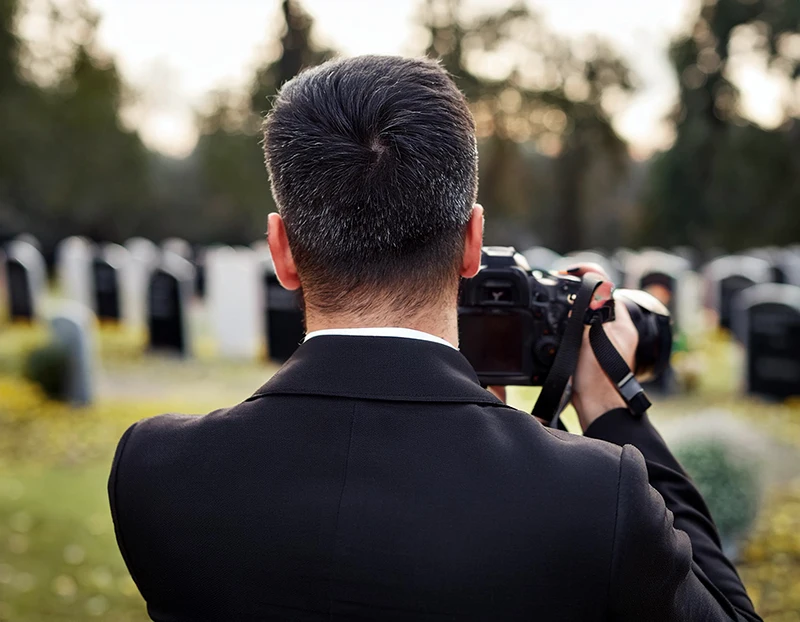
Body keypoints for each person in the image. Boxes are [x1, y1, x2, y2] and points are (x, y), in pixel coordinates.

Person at [108, 55, 760, 621]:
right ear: (473, 242)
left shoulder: (154, 473)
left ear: (282, 251)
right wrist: (614, 412)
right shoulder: (596, 498)